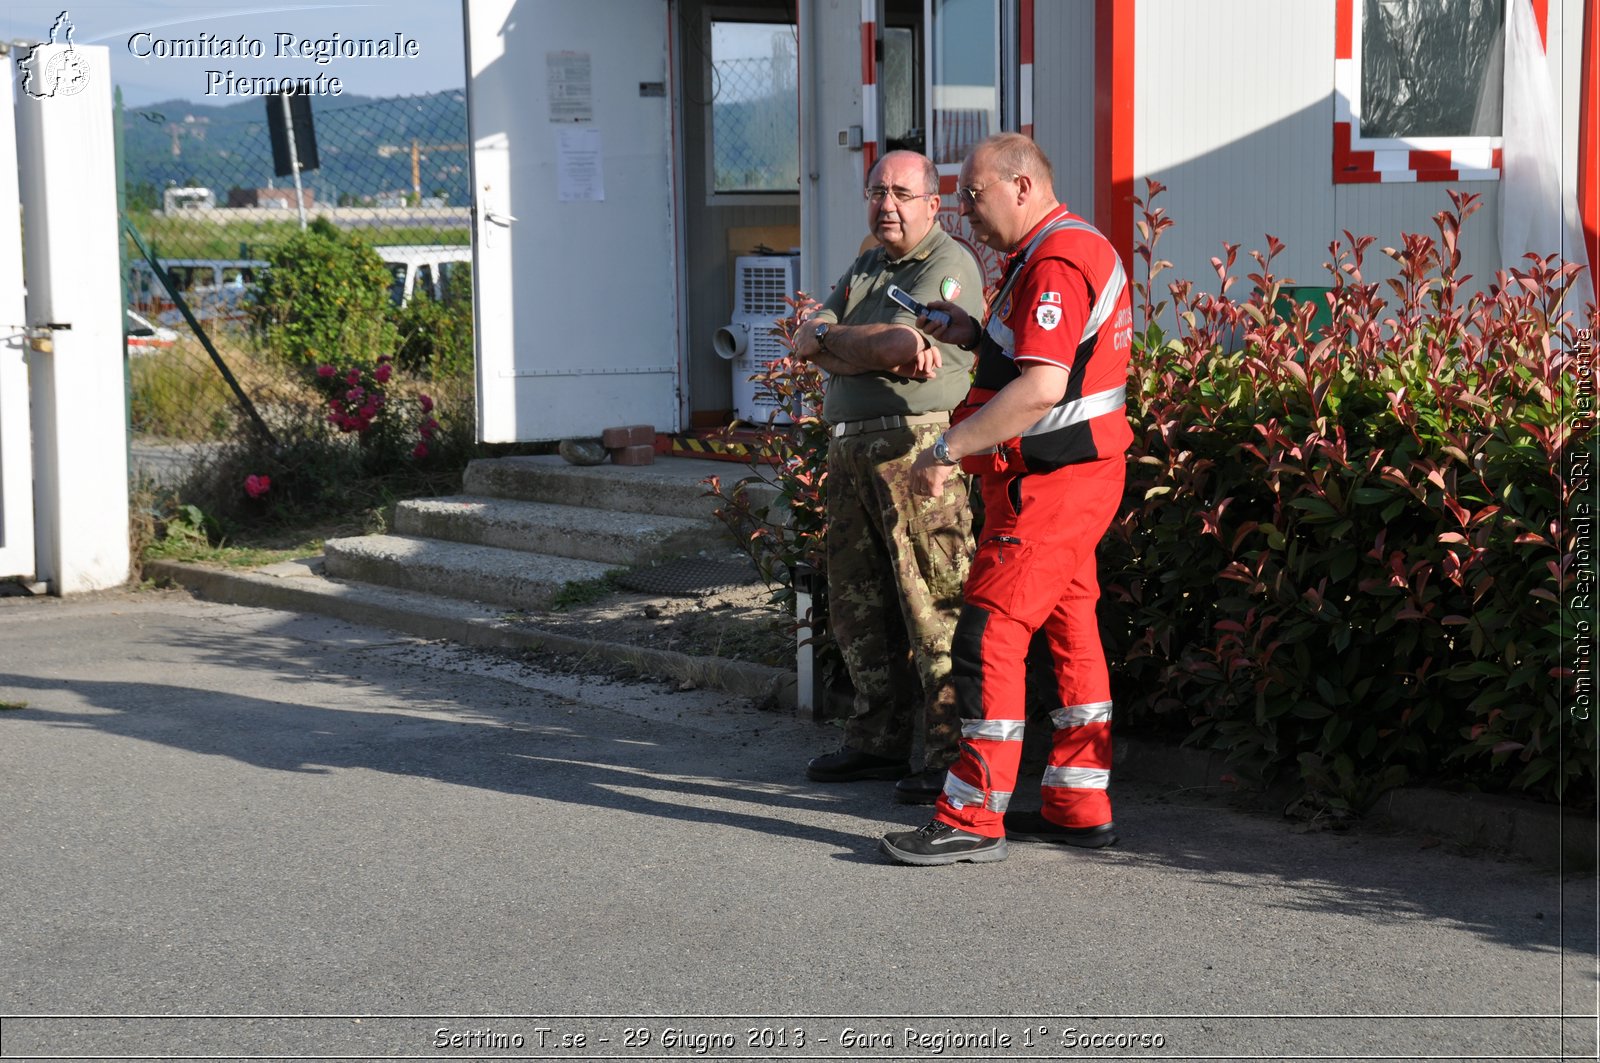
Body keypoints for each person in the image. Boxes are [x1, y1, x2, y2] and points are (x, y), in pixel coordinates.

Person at [879, 133, 1134, 865]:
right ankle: (1079, 802)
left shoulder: (1054, 261)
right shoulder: (1062, 251)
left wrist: (945, 450)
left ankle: (970, 814)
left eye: (974, 195)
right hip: (1073, 479)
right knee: (1069, 632)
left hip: (1052, 485)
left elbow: (1043, 386)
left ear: (1022, 187)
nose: (965, 213)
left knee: (989, 632)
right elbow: (1049, 358)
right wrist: (967, 331)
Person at [793, 150, 986, 804]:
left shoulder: (946, 264)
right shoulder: (868, 263)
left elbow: (899, 348)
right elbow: (804, 335)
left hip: (914, 451)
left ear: (934, 204)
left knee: (929, 602)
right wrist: (843, 340)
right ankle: (875, 739)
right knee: (858, 605)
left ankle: (947, 752)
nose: (887, 205)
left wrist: (838, 345)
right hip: (849, 452)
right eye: (877, 192)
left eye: (902, 193)